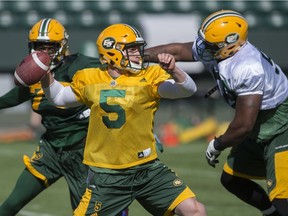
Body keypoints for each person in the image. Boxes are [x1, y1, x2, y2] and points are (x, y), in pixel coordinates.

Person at [40, 23, 207, 216]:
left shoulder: (149, 76)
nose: (139, 54)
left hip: (147, 169)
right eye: (132, 49)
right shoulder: (90, 77)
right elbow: (59, 97)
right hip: (107, 175)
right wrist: (45, 77)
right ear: (112, 52)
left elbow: (186, 89)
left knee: (195, 211)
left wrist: (174, 70)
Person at [145, 9, 288, 216]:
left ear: (230, 43)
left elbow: (243, 124)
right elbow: (177, 51)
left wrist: (218, 143)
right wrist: (140, 56)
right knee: (232, 178)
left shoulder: (247, 66)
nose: (203, 48)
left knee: (283, 199)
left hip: (281, 126)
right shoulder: (223, 50)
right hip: (261, 125)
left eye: (210, 45)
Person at [0, 18, 127, 216]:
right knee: (10, 205)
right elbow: (13, 97)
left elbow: (119, 76)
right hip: (51, 150)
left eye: (50, 47)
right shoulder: (35, 75)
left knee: (86, 212)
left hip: (82, 154)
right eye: (38, 47)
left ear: (62, 46)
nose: (43, 53)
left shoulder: (82, 65)